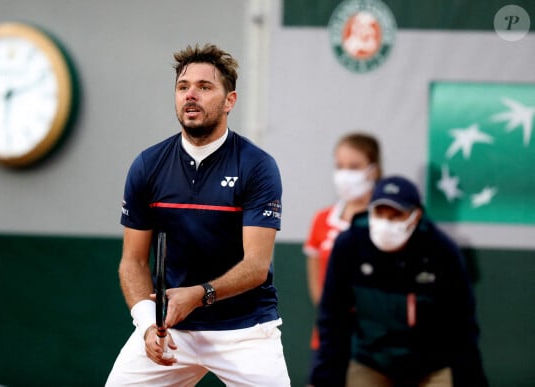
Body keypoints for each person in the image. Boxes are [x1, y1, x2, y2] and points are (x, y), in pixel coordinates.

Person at [106, 43, 290, 386]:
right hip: (172, 329)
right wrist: (148, 324)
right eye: (183, 87)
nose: (191, 95)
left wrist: (199, 294)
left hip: (246, 331)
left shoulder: (257, 166)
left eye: (204, 87)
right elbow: (132, 262)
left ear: (229, 100)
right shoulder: (147, 166)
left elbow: (256, 266)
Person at [310, 176, 488, 387]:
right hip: (371, 361)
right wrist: (321, 378)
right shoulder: (350, 245)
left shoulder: (442, 251)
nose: (386, 222)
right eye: (379, 213)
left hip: (433, 365)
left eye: (396, 215)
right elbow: (332, 316)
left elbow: (462, 324)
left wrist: (471, 379)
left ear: (416, 216)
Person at [303, 133, 381, 377]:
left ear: (373, 171)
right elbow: (316, 275)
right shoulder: (322, 219)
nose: (346, 174)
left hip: (374, 337)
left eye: (354, 167)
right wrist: (330, 315)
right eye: (340, 167)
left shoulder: (385, 221)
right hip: (330, 336)